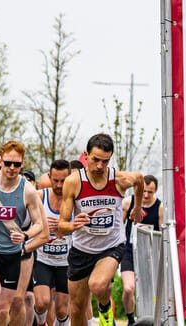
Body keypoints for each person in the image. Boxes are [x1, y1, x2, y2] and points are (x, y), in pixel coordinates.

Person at [57, 134, 144, 326]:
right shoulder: (74, 182)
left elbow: (139, 179)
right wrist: (72, 225)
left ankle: (105, 310)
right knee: (77, 308)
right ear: (86, 155)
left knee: (97, 285)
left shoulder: (118, 179)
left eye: (105, 161)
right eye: (95, 160)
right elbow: (62, 225)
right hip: (81, 249)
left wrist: (137, 208)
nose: (99, 166)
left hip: (111, 245)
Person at [0, 141, 45, 326]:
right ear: (1, 161)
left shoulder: (28, 191)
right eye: (8, 163)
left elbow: (39, 225)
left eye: (16, 164)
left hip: (12, 253)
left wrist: (25, 236)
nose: (12, 168)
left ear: (22, 164)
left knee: (3, 308)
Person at [25, 160, 72, 326]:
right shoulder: (39, 197)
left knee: (61, 309)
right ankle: (41, 323)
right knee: (42, 302)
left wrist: (67, 228)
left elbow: (85, 228)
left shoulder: (74, 200)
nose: (59, 185)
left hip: (66, 261)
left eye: (63, 181)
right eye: (55, 180)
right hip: (42, 259)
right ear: (49, 177)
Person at [120, 175, 161, 326]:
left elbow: (162, 235)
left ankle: (152, 320)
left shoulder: (159, 207)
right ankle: (131, 320)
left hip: (150, 255)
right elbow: (119, 226)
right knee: (129, 288)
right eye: (143, 191)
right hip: (129, 252)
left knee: (150, 294)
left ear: (155, 191)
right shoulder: (128, 202)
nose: (145, 195)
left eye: (150, 192)